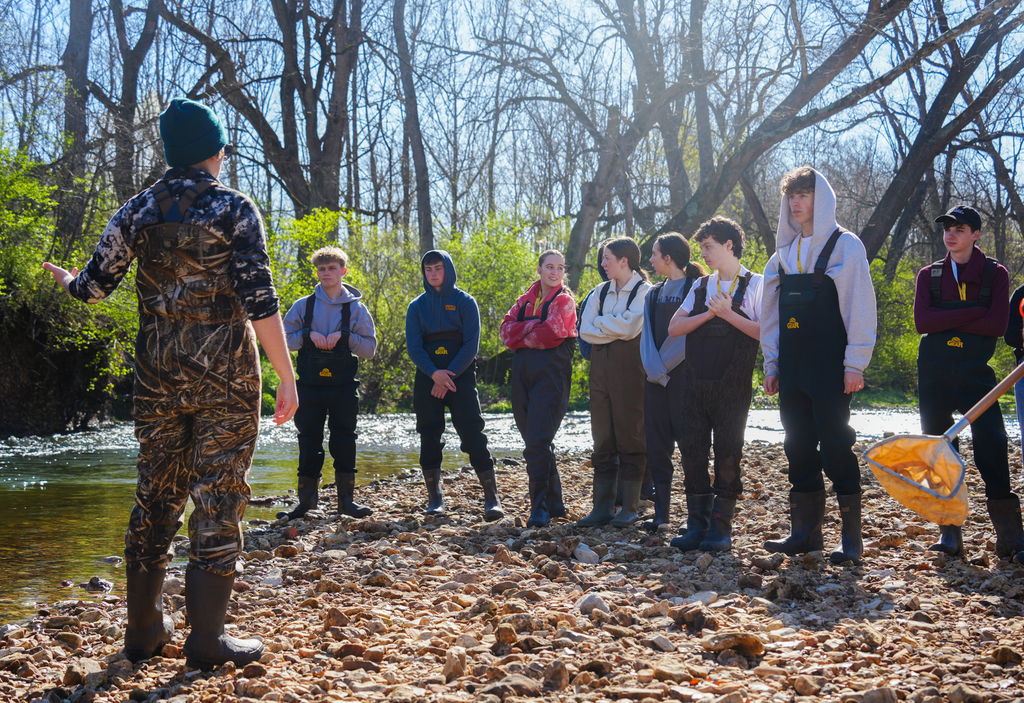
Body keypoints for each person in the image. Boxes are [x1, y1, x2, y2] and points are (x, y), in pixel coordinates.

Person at [43, 98, 298, 669]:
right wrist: (286, 375)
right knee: (219, 493)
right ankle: (206, 639)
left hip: (158, 378)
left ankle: (143, 632)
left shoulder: (134, 211)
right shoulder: (234, 209)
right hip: (227, 379)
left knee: (155, 492)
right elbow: (260, 299)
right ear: (216, 151)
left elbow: (92, 288)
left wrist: (67, 282)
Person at [760, 166, 876, 565]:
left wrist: (855, 363)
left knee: (837, 444)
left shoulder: (846, 247)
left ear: (820, 199)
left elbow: (859, 306)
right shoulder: (780, 257)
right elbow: (771, 316)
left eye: (804, 194)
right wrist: (771, 363)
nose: (796, 202)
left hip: (831, 365)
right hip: (791, 366)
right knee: (797, 446)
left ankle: (851, 540)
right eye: (791, 195)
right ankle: (805, 534)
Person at [914, 205, 1024, 560]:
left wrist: (945, 319)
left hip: (978, 376)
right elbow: (921, 322)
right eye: (947, 227)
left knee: (993, 443)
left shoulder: (996, 274)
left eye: (960, 228)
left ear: (976, 235)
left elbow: (997, 327)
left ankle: (1010, 535)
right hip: (934, 375)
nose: (951, 234)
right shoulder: (928, 276)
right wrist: (976, 311)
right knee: (942, 453)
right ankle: (950, 534)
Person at [667, 218, 762, 551]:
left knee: (727, 455)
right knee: (691, 452)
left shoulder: (755, 284)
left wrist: (728, 313)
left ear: (729, 245)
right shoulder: (701, 286)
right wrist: (708, 314)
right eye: (702, 247)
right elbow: (674, 329)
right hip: (694, 387)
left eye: (708, 246)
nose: (703, 253)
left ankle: (721, 529)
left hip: (733, 389)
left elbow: (765, 332)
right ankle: (697, 526)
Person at [280, 246, 377, 520]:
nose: (326, 273)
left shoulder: (357, 308)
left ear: (343, 271)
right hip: (309, 387)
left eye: (331, 268)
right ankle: (306, 503)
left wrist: (345, 338)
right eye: (321, 269)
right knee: (308, 441)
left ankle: (347, 502)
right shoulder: (302, 305)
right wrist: (309, 337)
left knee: (344, 440)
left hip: (344, 387)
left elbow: (370, 349)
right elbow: (283, 341)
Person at [406, 249, 503, 520]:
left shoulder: (465, 302)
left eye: (438, 268)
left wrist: (447, 376)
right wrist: (433, 373)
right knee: (429, 434)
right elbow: (414, 346)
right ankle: (435, 499)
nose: (434, 274)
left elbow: (471, 345)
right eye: (429, 270)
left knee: (473, 433)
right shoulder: (416, 306)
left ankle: (491, 498)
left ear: (447, 269)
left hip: (460, 377)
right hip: (427, 378)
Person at [577, 237, 652, 527]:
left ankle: (630, 507)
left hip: (631, 375)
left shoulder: (644, 291)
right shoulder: (598, 291)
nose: (603, 263)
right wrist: (613, 327)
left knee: (631, 437)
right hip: (600, 376)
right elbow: (585, 331)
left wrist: (602, 326)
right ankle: (602, 508)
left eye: (607, 258)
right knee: (602, 439)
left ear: (625, 260)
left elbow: (631, 328)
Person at [500, 250, 578, 527]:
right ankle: (556, 503)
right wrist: (532, 326)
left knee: (536, 441)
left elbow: (551, 334)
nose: (554, 272)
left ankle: (540, 507)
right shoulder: (524, 301)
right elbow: (505, 332)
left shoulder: (565, 302)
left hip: (552, 378)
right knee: (536, 441)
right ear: (539, 269)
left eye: (559, 267)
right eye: (549, 267)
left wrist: (523, 332)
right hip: (522, 377)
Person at [639, 233, 704, 531]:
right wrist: (654, 370)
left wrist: (663, 367)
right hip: (655, 379)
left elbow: (691, 335)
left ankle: (697, 517)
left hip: (685, 378)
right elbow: (647, 339)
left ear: (669, 258)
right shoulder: (652, 294)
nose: (650, 260)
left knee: (691, 444)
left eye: (654, 254)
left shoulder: (698, 289)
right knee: (657, 443)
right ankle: (661, 515)